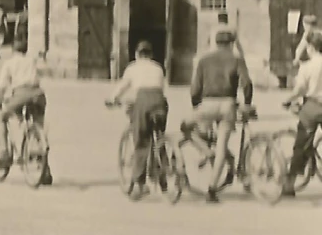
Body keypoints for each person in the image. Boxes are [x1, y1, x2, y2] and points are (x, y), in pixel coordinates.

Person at [181, 28, 253, 203]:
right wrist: (247, 103)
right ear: (231, 44)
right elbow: (247, 84)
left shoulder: (204, 60)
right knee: (222, 146)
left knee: (185, 126)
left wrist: (196, 107)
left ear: (216, 43)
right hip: (228, 104)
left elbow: (195, 89)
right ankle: (212, 189)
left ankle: (207, 151)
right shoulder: (237, 60)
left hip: (207, 104)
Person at [106, 41, 168, 197]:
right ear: (151, 55)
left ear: (137, 54)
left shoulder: (132, 68)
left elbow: (122, 87)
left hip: (143, 101)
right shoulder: (158, 68)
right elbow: (161, 88)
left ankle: (140, 185)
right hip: (160, 102)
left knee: (141, 141)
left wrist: (112, 99)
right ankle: (164, 177)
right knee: (159, 138)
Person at [0, 45, 54, 185]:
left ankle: (4, 152)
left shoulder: (9, 63)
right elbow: (44, 72)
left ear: (13, 50)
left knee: (2, 117)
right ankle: (45, 168)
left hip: (21, 95)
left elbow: (1, 87)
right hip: (38, 95)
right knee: (38, 124)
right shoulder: (32, 60)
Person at [282, 29, 322, 197]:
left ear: (311, 47)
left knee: (301, 144)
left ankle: (289, 185)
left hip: (312, 107)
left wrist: (287, 100)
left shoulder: (307, 67)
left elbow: (299, 90)